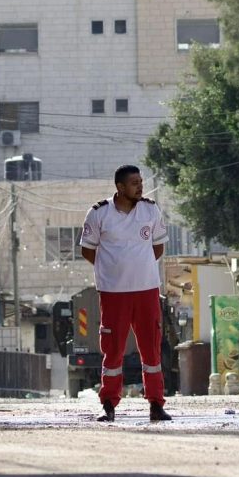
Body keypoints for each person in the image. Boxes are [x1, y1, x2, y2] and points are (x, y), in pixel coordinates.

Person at [79, 165, 171, 422]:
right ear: (120, 187)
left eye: (141, 182)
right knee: (113, 349)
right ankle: (108, 404)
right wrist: (112, 270)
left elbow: (158, 247)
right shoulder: (99, 213)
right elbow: (88, 250)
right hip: (113, 292)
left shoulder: (150, 209)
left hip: (146, 290)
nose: (140, 186)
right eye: (134, 183)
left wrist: (137, 268)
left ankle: (156, 403)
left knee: (151, 349)